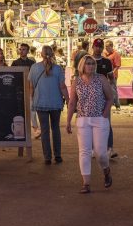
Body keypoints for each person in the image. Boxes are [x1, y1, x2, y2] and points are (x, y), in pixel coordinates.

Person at [66, 55, 113, 193]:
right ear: (82, 65)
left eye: (92, 63)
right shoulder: (77, 81)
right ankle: (86, 183)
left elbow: (110, 98)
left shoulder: (101, 79)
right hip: (82, 119)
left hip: (99, 119)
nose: (91, 66)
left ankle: (106, 169)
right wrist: (68, 121)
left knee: (100, 153)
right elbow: (72, 102)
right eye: (88, 64)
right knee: (84, 152)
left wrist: (104, 113)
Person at [28, 46, 69, 164]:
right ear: (53, 54)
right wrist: (69, 100)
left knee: (45, 131)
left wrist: (31, 101)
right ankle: (58, 155)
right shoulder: (58, 69)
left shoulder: (34, 67)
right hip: (56, 103)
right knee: (56, 129)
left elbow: (31, 88)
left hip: (40, 103)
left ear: (41, 54)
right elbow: (62, 87)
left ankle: (47, 157)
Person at [91, 38, 117, 158]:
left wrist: (113, 94)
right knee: (91, 122)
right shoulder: (87, 60)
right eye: (97, 46)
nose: (99, 48)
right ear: (93, 47)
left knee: (106, 122)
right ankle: (92, 148)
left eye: (100, 47)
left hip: (105, 97)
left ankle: (109, 148)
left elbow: (111, 78)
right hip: (90, 98)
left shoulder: (107, 62)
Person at [12, 43, 38, 137]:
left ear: (27, 51)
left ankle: (35, 129)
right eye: (21, 49)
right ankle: (21, 129)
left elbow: (34, 77)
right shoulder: (15, 63)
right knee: (20, 110)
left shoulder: (32, 64)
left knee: (32, 109)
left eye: (24, 49)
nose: (21, 51)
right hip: (19, 89)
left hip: (30, 89)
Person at [105, 40, 122, 111]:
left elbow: (117, 65)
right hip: (105, 75)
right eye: (105, 46)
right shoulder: (105, 54)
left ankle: (117, 105)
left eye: (107, 46)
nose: (106, 48)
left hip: (112, 76)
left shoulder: (116, 54)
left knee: (113, 90)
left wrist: (112, 72)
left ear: (111, 46)